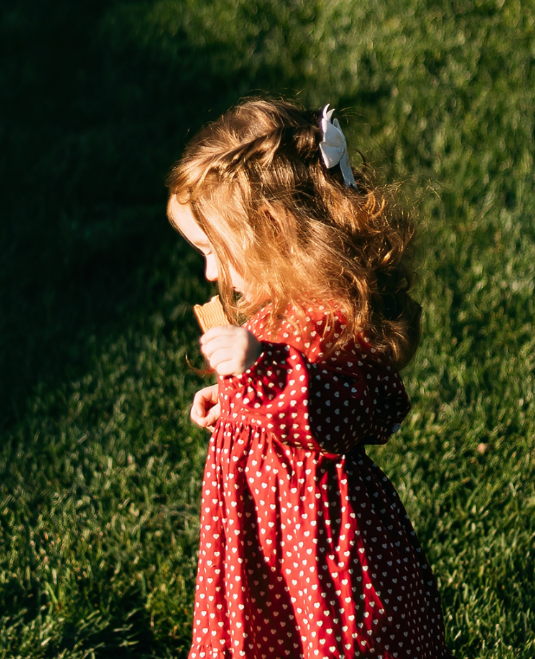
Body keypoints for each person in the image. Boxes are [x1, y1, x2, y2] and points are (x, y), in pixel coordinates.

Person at [166, 98, 452, 659]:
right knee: (262, 627)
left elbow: (341, 413)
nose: (207, 272)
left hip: (315, 535)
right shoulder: (275, 306)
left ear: (274, 232)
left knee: (323, 632)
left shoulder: (332, 319)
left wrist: (262, 367)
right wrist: (234, 398)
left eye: (214, 252)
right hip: (260, 528)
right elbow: (282, 406)